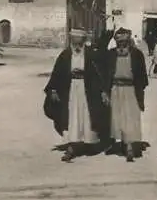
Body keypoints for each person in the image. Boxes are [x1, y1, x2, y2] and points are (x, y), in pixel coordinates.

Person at [43, 28, 110, 162]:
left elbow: (99, 74)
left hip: (88, 90)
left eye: (79, 40)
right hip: (70, 89)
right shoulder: (65, 55)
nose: (76, 43)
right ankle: (72, 146)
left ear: (84, 40)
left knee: (87, 115)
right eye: (74, 40)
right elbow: (57, 73)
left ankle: (87, 143)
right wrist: (54, 90)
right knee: (71, 116)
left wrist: (103, 91)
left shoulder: (91, 55)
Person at [102, 27, 148, 162]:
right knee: (117, 118)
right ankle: (121, 143)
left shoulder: (137, 55)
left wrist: (140, 90)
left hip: (131, 90)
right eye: (119, 43)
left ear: (129, 42)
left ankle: (129, 147)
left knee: (130, 118)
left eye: (124, 43)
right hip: (115, 89)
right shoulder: (110, 55)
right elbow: (105, 75)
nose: (121, 45)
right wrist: (105, 91)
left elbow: (143, 76)